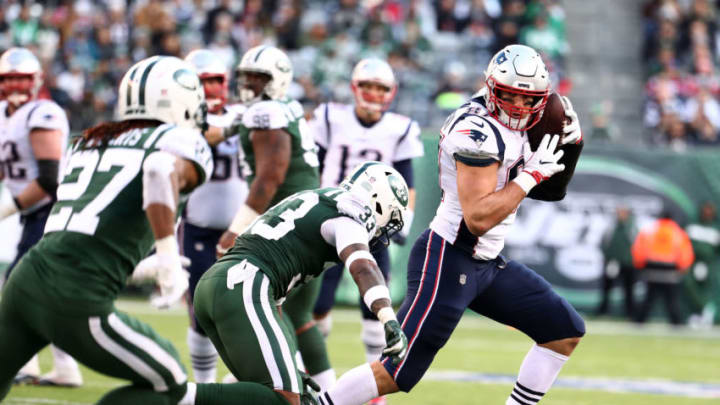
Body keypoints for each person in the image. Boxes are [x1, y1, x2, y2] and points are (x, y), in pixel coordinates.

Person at [318, 44, 586, 405]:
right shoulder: (475, 129)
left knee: (563, 330)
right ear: (491, 88)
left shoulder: (532, 118)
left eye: (529, 99)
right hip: (447, 257)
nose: (519, 108)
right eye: (510, 96)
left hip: (486, 263)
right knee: (395, 372)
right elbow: (477, 219)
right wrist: (530, 175)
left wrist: (572, 147)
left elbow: (551, 191)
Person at [193, 162, 410, 405]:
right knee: (283, 399)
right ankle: (177, 397)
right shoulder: (351, 213)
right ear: (378, 202)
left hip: (223, 284)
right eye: (389, 220)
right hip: (245, 284)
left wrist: (289, 368)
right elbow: (364, 266)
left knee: (268, 396)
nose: (383, 232)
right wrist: (388, 318)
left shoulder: (319, 197)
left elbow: (274, 302)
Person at [211, 45, 332, 390]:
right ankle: (332, 391)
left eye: (258, 78)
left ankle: (278, 383)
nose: (249, 83)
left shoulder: (266, 113)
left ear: (277, 81)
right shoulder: (282, 108)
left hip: (290, 223)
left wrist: (235, 230)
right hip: (310, 217)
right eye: (246, 76)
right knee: (298, 316)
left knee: (267, 307)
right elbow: (220, 130)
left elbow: (270, 178)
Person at [308, 58, 423, 400]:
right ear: (355, 88)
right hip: (328, 217)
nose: (373, 94)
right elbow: (315, 165)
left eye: (381, 88)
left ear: (391, 93)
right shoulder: (330, 118)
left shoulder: (399, 128)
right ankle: (312, 375)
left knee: (376, 304)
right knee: (318, 304)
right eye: (368, 86)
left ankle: (376, 389)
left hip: (374, 225)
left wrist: (404, 223)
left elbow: (408, 183)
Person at [0, 47, 83, 387]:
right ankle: (61, 368)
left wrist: (6, 208)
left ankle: (28, 362)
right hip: (32, 214)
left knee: (20, 286)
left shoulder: (43, 112)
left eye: (23, 77)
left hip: (52, 210)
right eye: (10, 78)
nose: (16, 84)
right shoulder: (4, 114)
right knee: (44, 293)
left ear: (36, 81)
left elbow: (49, 179)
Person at [182, 49, 248, 383]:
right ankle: (204, 384)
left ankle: (245, 374)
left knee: (246, 307)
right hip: (199, 227)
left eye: (215, 81)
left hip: (244, 229)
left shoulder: (244, 113)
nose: (210, 88)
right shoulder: (181, 119)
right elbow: (201, 136)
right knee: (200, 311)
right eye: (202, 82)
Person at [633, 211, 695, 325]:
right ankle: (676, 323)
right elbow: (685, 251)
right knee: (671, 301)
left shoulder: (650, 230)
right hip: (670, 272)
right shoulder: (677, 232)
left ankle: (639, 321)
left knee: (648, 300)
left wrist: (639, 264)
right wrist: (683, 267)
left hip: (651, 269)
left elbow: (639, 248)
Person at [595, 206, 638, 318]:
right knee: (606, 289)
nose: (620, 215)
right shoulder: (611, 227)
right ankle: (603, 312)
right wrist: (608, 257)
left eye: (623, 212)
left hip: (628, 264)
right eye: (619, 212)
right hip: (612, 263)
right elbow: (603, 243)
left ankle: (630, 314)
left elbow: (637, 245)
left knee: (628, 290)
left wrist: (632, 259)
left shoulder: (632, 228)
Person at [684, 201, 720, 328]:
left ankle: (707, 314)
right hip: (692, 262)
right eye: (706, 209)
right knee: (689, 286)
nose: (708, 212)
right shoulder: (693, 225)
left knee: (708, 289)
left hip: (710, 264)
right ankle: (699, 312)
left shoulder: (716, 228)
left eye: (710, 210)